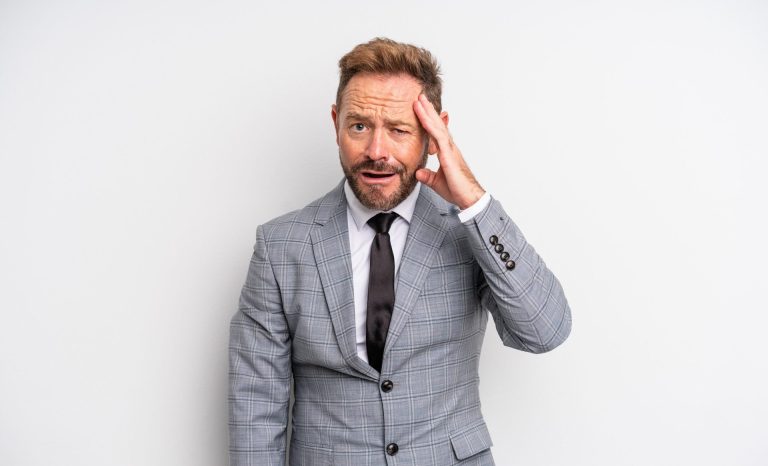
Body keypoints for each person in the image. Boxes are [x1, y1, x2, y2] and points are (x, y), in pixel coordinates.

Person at [229, 37, 572, 466]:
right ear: (336, 124)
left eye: (398, 130)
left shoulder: (469, 230)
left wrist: (474, 202)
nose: (377, 152)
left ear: (434, 133)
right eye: (359, 126)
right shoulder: (280, 246)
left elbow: (544, 331)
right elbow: (256, 403)